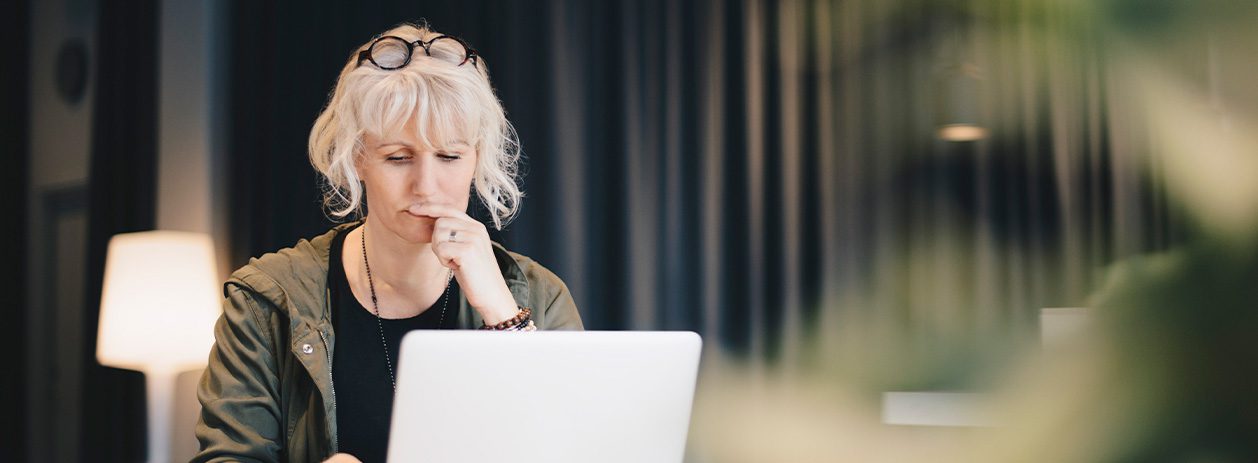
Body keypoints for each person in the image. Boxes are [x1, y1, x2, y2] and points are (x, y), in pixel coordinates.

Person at [192, 22, 583, 463]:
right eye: (398, 158)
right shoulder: (266, 303)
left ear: (476, 158)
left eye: (451, 156)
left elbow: (575, 447)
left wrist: (503, 316)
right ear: (356, 158)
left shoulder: (540, 296)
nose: (427, 185)